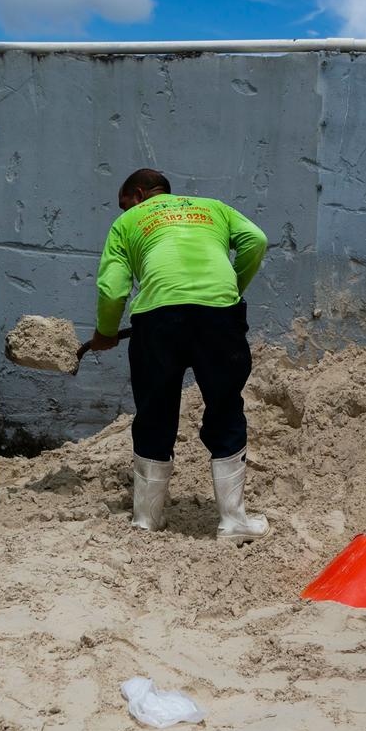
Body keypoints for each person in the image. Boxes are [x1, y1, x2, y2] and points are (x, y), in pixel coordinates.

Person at [89, 168, 270, 543]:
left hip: (157, 318)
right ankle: (234, 522)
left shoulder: (129, 223)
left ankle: (146, 520)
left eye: (124, 205)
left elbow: (112, 287)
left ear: (138, 195)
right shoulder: (214, 208)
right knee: (225, 407)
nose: (122, 212)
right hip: (220, 315)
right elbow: (256, 240)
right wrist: (231, 287)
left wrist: (106, 331)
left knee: (154, 409)